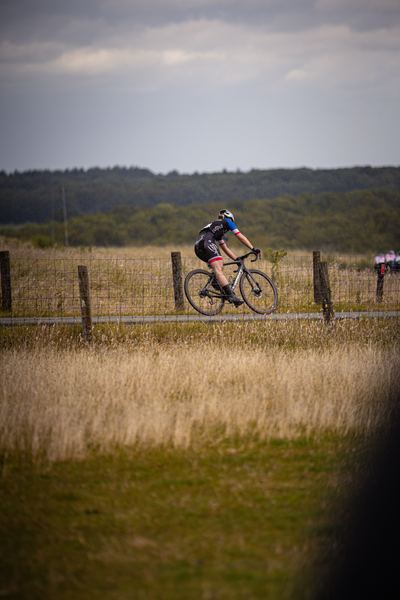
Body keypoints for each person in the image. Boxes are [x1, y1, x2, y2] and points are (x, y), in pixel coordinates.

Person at [194, 209, 261, 307]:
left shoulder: (217, 230)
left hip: (198, 246)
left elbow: (224, 248)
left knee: (219, 267)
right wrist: (253, 248)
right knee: (218, 270)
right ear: (229, 218)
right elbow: (240, 236)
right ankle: (231, 296)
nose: (229, 230)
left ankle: (215, 281)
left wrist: (236, 259)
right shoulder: (227, 222)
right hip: (207, 242)